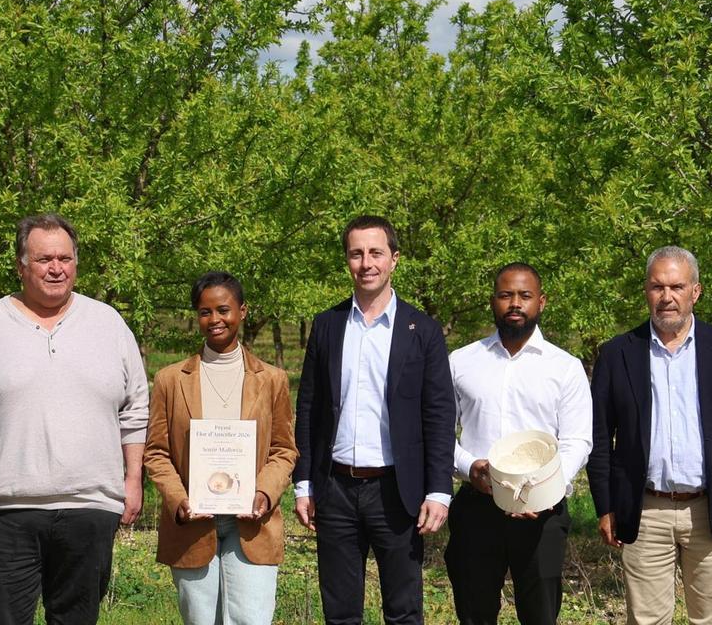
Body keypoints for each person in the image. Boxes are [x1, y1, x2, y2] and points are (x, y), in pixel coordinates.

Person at [0, 214, 149, 625]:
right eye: (43, 259)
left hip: (90, 507)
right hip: (5, 512)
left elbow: (135, 408)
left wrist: (132, 479)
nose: (56, 268)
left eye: (65, 258)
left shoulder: (109, 324)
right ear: (21, 266)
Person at [293, 215, 456, 624]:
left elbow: (439, 415)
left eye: (376, 253)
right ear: (347, 260)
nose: (366, 263)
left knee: (403, 611)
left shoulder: (423, 330)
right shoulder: (328, 326)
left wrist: (439, 490)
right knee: (340, 612)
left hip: (397, 493)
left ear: (394, 259)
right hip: (335, 490)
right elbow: (309, 407)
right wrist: (304, 482)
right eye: (356, 253)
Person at [588, 246, 712, 625]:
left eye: (677, 287)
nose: (667, 297)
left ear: (695, 292)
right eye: (657, 287)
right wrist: (606, 505)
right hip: (645, 509)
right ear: (646, 292)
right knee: (647, 620)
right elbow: (599, 437)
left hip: (711, 507)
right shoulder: (618, 353)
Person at [144, 271, 296, 625]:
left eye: (223, 310)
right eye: (204, 312)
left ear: (242, 311)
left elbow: (283, 449)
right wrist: (178, 500)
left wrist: (264, 493)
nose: (215, 320)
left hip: (252, 523)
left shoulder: (273, 380)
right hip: (192, 523)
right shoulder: (170, 380)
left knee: (251, 619)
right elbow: (156, 452)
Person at [446, 262, 593, 625]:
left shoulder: (565, 367)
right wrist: (469, 466)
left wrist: (545, 488)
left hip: (541, 514)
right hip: (478, 507)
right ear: (492, 302)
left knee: (540, 615)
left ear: (541, 302)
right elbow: (437, 435)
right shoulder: (461, 361)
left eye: (525, 296)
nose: (515, 303)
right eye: (505, 295)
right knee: (474, 614)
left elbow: (577, 440)